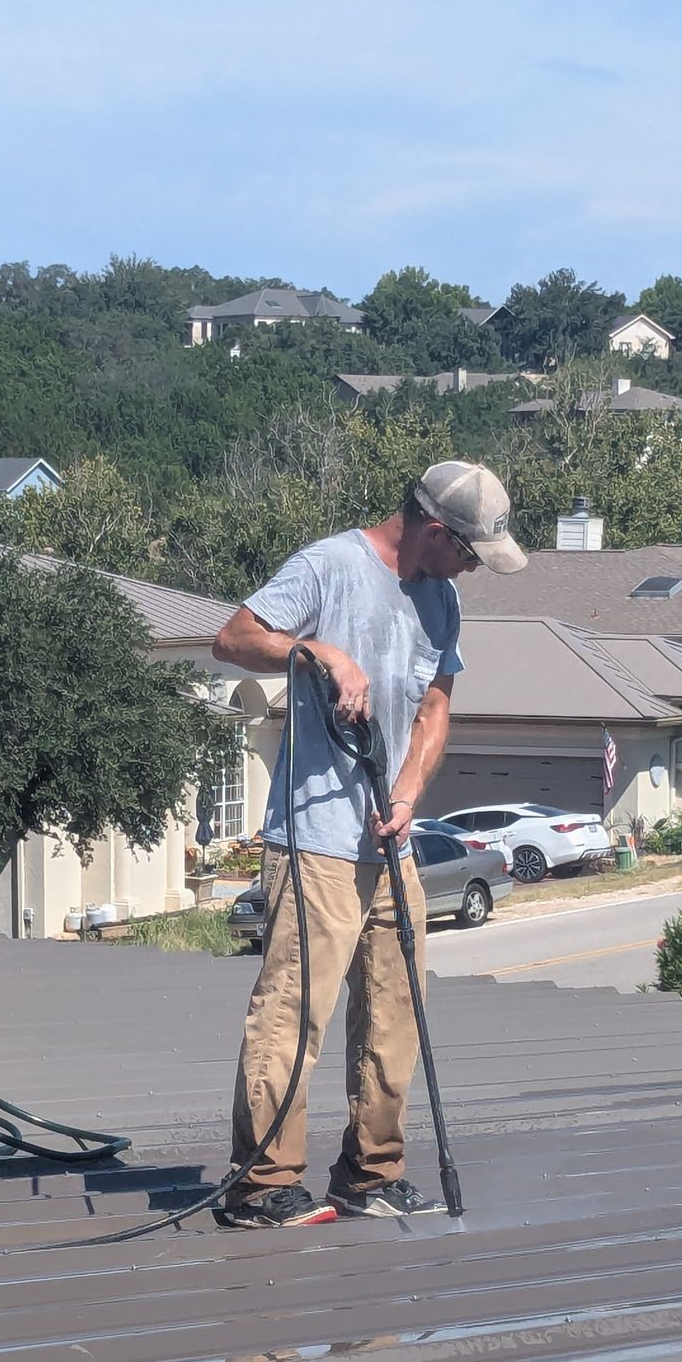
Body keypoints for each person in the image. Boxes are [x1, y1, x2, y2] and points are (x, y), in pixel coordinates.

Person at [209, 460, 526, 1228]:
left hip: (390, 845)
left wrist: (409, 792)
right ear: (435, 531)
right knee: (295, 1012)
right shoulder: (329, 566)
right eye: (470, 554)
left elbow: (435, 708)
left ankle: (370, 1174)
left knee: (394, 1011)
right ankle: (261, 1186)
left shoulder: (441, 598)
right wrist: (316, 652)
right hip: (315, 840)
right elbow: (233, 638)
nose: (472, 571)